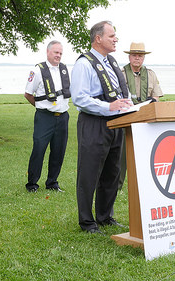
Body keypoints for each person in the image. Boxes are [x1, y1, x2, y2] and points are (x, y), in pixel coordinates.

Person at [70, 20, 133, 234]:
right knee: (89, 173)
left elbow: (120, 92)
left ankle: (105, 216)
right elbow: (79, 98)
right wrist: (108, 107)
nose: (116, 39)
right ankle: (87, 222)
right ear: (98, 39)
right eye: (111, 36)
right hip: (94, 123)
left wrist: (129, 104)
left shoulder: (112, 62)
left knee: (112, 172)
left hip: (116, 123)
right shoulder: (84, 63)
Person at [24, 40, 70, 193]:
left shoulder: (64, 69)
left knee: (58, 151)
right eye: (56, 52)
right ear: (48, 52)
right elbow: (28, 94)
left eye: (60, 53)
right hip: (45, 117)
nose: (58, 55)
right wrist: (41, 108)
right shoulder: (38, 70)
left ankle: (52, 183)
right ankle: (32, 184)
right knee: (39, 149)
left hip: (63, 117)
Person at [118, 42, 164, 190]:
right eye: (134, 55)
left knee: (147, 155)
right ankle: (116, 186)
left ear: (143, 58)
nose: (137, 58)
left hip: (145, 120)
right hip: (126, 119)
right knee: (121, 157)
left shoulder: (150, 74)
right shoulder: (121, 74)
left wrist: (149, 103)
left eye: (140, 56)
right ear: (129, 57)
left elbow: (156, 97)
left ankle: (146, 187)